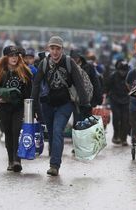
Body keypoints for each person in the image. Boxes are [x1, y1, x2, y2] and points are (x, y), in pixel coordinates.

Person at [31, 36, 91, 176]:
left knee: (58, 131)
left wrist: (85, 105)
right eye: (52, 48)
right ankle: (54, 156)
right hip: (48, 104)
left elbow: (79, 84)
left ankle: (54, 165)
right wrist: (34, 107)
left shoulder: (69, 63)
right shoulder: (44, 64)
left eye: (58, 49)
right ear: (48, 49)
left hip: (65, 104)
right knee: (52, 134)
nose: (55, 52)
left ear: (62, 49)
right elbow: (36, 85)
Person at [0, 45, 32, 172]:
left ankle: (17, 160)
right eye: (11, 56)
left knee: (17, 131)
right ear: (6, 57)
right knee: (8, 133)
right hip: (4, 108)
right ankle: (10, 160)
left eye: (16, 56)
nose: (14, 58)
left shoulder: (24, 71)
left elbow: (30, 92)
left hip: (18, 107)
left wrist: (32, 109)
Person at [105, 59, 130, 146]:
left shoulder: (129, 76)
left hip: (126, 100)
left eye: (124, 71)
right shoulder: (113, 76)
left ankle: (124, 138)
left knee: (125, 119)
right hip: (115, 99)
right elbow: (107, 87)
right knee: (116, 118)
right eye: (121, 71)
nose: (123, 73)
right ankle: (116, 136)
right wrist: (106, 97)